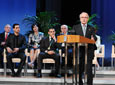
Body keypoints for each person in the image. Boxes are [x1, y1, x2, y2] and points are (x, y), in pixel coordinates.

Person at [72, 12, 97, 85]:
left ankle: (89, 83)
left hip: (89, 50)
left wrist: (93, 39)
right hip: (79, 50)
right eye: (82, 17)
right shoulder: (75, 27)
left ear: (88, 19)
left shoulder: (91, 27)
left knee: (89, 68)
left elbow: (94, 37)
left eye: (85, 17)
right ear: (80, 19)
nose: (84, 19)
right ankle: (80, 82)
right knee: (80, 68)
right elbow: (73, 37)